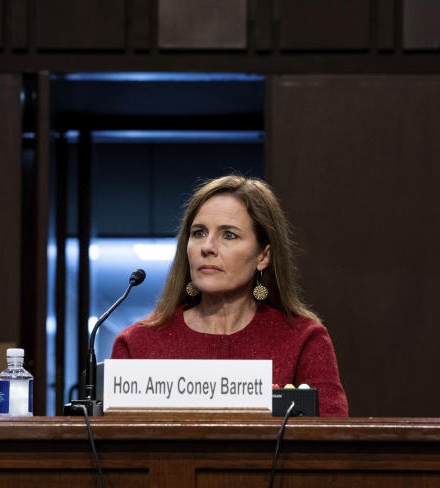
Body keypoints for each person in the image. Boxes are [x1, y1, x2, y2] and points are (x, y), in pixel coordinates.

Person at [111, 175, 348, 417]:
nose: (207, 247)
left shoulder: (304, 340)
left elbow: (331, 442)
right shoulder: (136, 344)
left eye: (229, 235)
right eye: (199, 233)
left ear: (263, 256)